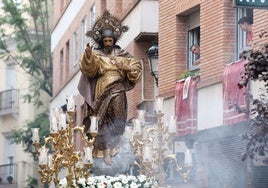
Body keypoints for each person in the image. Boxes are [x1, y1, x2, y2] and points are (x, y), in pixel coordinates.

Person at [78, 10, 142, 166]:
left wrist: (123, 65)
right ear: (101, 41)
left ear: (114, 40)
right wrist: (88, 56)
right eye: (105, 41)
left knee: (118, 118)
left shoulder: (122, 53)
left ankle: (115, 146)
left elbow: (136, 66)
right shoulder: (97, 54)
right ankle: (105, 149)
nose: (108, 43)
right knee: (101, 120)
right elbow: (89, 69)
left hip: (118, 88)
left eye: (110, 41)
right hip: (102, 88)